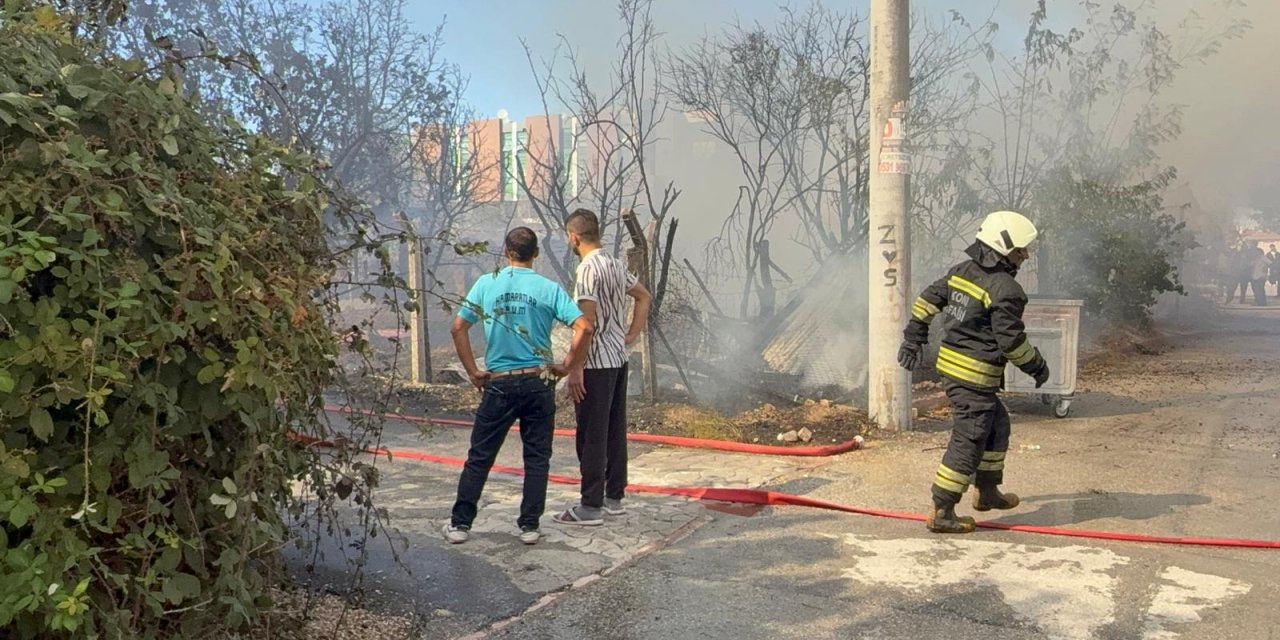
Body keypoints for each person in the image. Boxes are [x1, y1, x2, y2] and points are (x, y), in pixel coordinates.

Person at [898, 210, 1051, 534]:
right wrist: (1036, 364)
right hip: (973, 376)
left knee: (997, 425)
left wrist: (915, 333)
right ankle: (942, 509)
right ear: (1001, 246)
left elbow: (928, 299)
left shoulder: (961, 271)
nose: (1025, 254)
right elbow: (1011, 341)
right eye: (1020, 249)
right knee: (969, 438)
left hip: (955, 368)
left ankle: (988, 491)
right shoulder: (1005, 289)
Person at [443, 227, 595, 546]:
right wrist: (566, 366)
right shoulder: (548, 288)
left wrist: (473, 371)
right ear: (536, 254)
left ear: (505, 251)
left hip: (499, 383)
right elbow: (585, 327)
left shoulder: (487, 283)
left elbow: (458, 328)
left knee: (480, 455)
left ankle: (460, 524)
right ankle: (529, 525)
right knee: (537, 456)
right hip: (539, 380)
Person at [553, 209, 652, 526]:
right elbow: (643, 296)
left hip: (595, 364)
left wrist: (576, 367)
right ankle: (614, 496)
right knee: (613, 431)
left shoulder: (587, 271)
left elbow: (587, 324)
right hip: (618, 359)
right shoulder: (614, 264)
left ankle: (591, 505)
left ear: (574, 237)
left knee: (591, 435)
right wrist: (632, 333)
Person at [1246, 241, 1269, 307]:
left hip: (1261, 276)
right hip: (1254, 275)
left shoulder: (1262, 257)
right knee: (1256, 289)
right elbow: (1249, 265)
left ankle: (1262, 302)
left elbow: (1270, 263)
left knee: (1260, 289)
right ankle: (1259, 301)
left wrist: (1266, 267)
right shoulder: (1254, 259)